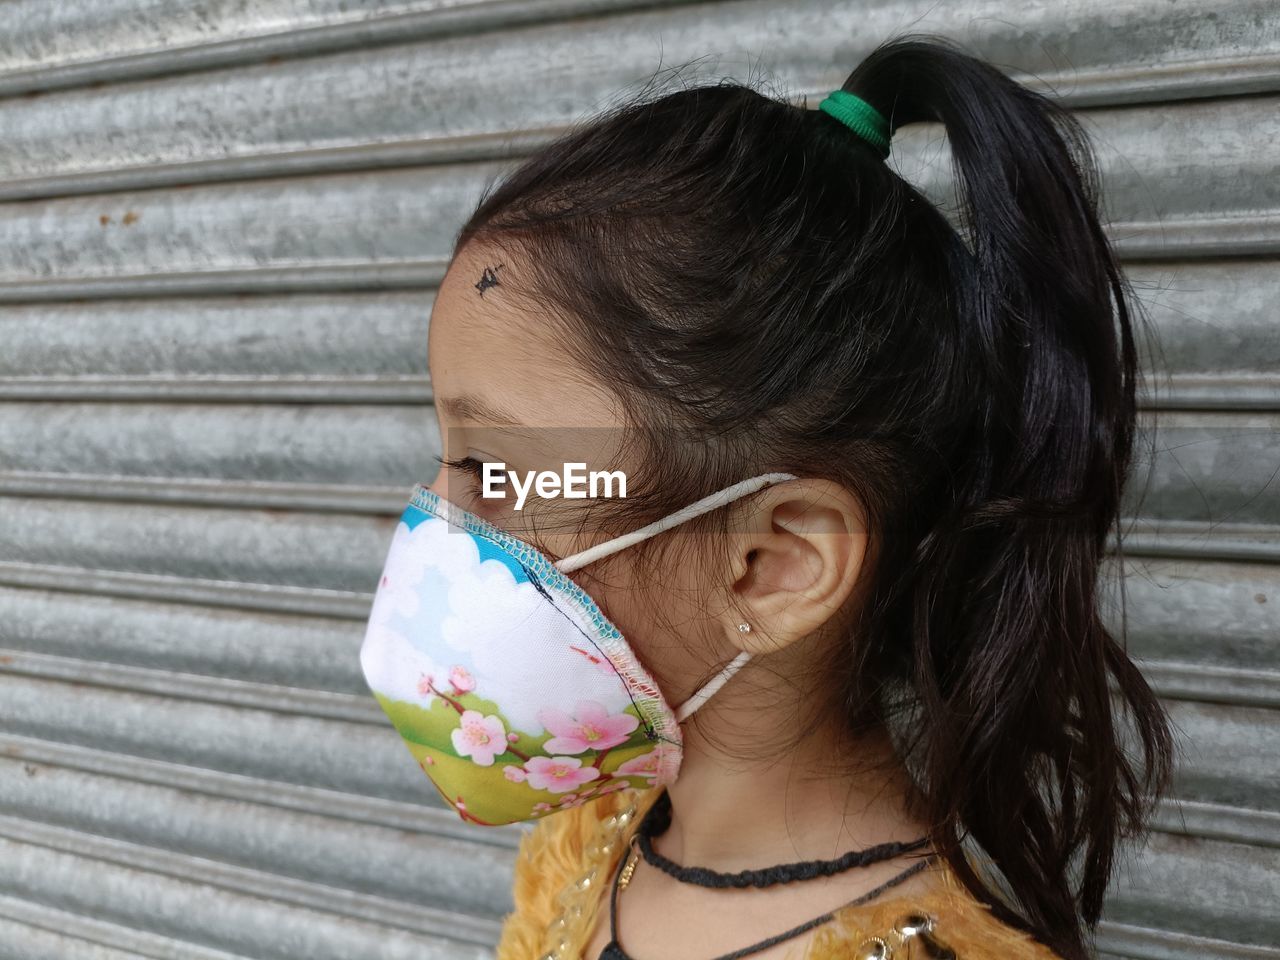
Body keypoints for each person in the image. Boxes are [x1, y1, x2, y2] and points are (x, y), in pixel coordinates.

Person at [358, 31, 1176, 960]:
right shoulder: (590, 857)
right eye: (449, 459)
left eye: (493, 472)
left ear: (774, 565)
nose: (434, 519)